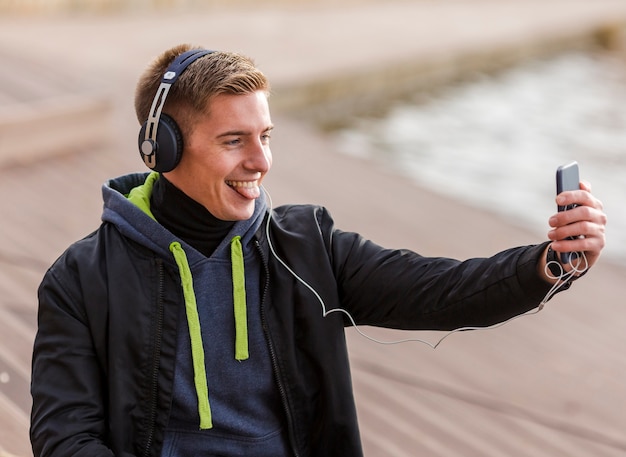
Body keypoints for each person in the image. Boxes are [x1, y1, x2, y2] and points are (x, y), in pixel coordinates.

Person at [30, 44, 607, 457]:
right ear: (165, 149)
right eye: (234, 142)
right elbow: (64, 435)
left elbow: (440, 292)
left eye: (266, 137)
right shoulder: (82, 278)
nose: (260, 162)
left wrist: (550, 262)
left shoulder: (306, 247)